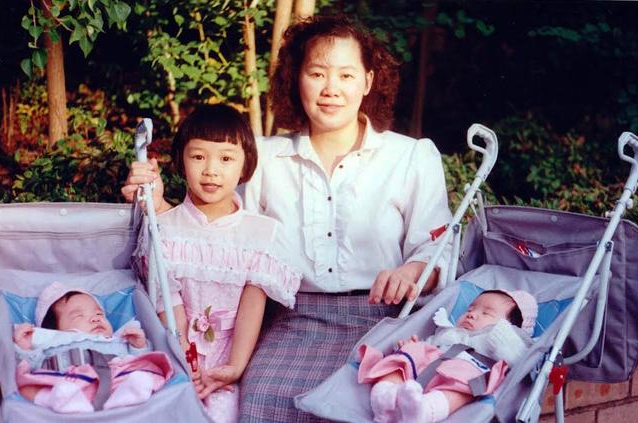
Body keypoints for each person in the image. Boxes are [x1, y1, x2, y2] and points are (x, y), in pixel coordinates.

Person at [122, 14, 453, 422]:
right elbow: (217, 231)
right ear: (298, 79)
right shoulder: (265, 158)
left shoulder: (411, 157)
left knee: (368, 404)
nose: (331, 89)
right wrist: (156, 204)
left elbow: (437, 245)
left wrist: (414, 268)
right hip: (294, 319)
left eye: (346, 76)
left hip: (383, 319)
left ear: (367, 82)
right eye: (317, 73)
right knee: (260, 397)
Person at [132, 104, 301, 423]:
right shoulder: (163, 227)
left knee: (224, 413)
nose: (211, 170)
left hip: (232, 352)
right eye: (198, 157)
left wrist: (235, 367)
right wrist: (179, 348)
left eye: (226, 158)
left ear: (245, 165)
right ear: (181, 160)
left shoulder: (260, 233)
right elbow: (167, 295)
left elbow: (253, 304)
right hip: (174, 347)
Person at [358, 290, 537, 423]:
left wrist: (506, 333)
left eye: (486, 313)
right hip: (433, 362)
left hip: (469, 368)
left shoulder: (504, 339)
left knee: (467, 384)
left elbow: (521, 360)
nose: (472, 314)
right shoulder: (449, 331)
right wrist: (414, 347)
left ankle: (425, 411)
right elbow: (430, 346)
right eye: (470, 308)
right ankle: (384, 398)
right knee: (405, 356)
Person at [13, 282, 174, 413]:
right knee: (35, 382)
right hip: (70, 380)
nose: (95, 319)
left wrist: (138, 346)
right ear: (55, 329)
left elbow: (136, 360)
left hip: (115, 380)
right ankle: (65, 401)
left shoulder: (117, 338)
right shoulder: (51, 340)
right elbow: (34, 365)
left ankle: (126, 397)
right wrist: (25, 349)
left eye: (99, 314)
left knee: (143, 372)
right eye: (79, 316)